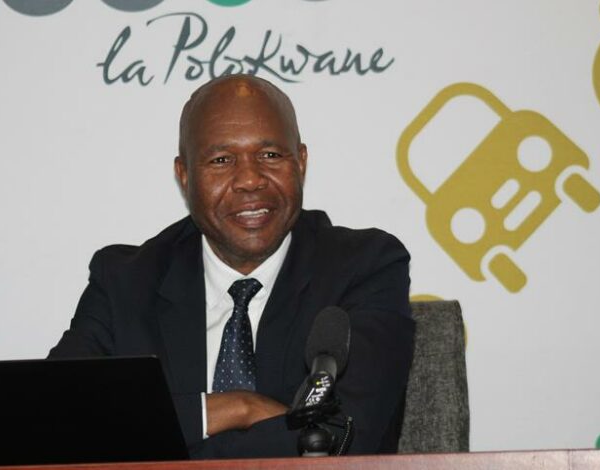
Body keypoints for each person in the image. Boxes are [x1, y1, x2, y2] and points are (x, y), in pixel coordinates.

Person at [49, 74, 415, 458]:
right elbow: (56, 418)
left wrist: (152, 435)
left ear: (301, 161)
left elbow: (346, 438)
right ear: (184, 174)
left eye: (270, 155)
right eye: (221, 160)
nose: (250, 179)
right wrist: (237, 407)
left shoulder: (364, 267)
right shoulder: (125, 281)